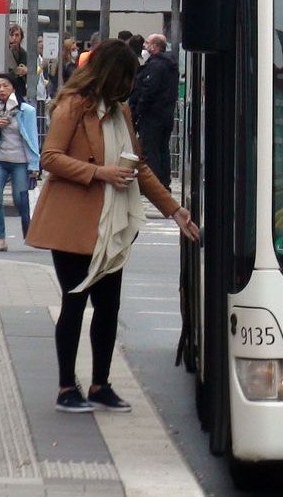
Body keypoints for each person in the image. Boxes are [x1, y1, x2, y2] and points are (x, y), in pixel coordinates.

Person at [26, 39, 200, 413]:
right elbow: (50, 158)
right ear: (111, 74)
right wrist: (99, 172)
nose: (132, 85)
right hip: (74, 224)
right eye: (128, 77)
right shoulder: (73, 106)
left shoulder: (120, 111)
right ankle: (66, 387)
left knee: (109, 307)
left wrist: (174, 210)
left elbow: (138, 167)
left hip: (113, 224)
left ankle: (101, 384)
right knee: (74, 303)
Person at [0, 73, 40, 252]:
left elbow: (32, 138)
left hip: (20, 162)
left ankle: (31, 233)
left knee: (19, 199)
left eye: (5, 86)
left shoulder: (26, 111)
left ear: (14, 88)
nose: (1, 89)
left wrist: (34, 166)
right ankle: (0, 240)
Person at [128, 34, 180, 189]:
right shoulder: (171, 65)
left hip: (152, 115)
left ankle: (154, 186)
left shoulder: (156, 66)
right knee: (163, 149)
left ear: (155, 46)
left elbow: (148, 90)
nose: (144, 46)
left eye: (147, 43)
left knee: (151, 151)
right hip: (166, 114)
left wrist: (137, 110)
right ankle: (164, 183)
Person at [7, 23, 28, 100]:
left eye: (17, 35)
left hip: (21, 93)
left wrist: (26, 71)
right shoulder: (5, 52)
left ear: (21, 37)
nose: (14, 38)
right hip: (8, 92)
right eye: (11, 35)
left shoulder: (24, 54)